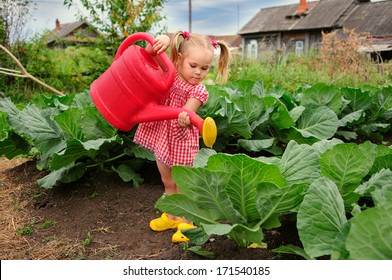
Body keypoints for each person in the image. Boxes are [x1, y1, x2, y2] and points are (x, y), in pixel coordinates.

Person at [134, 31, 231, 243]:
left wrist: (185, 115)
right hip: (163, 135)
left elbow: (188, 110)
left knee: (184, 183)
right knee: (168, 181)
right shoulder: (170, 70)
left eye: (204, 68)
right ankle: (171, 216)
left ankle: (188, 223)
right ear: (179, 59)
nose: (198, 73)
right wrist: (161, 42)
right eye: (193, 66)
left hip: (180, 140)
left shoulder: (200, 90)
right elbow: (148, 56)